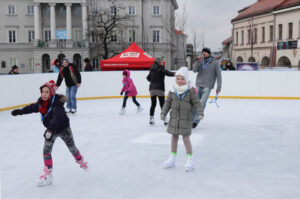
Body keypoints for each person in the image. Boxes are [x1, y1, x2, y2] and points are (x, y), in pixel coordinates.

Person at [11, 80, 88, 187]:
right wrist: (20, 111)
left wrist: (50, 129)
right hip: (50, 130)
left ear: (51, 92)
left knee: (72, 148)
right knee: (46, 151)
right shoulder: (41, 104)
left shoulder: (57, 104)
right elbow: (31, 108)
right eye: (42, 92)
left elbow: (58, 117)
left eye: (47, 92)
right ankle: (48, 175)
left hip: (63, 129)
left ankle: (81, 162)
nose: (44, 94)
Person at [160, 67, 204, 172]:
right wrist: (163, 112)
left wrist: (200, 113)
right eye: (178, 79)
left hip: (186, 118)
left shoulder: (190, 90)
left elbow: (196, 103)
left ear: (186, 79)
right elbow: (167, 103)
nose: (180, 81)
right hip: (174, 118)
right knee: (174, 137)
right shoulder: (172, 90)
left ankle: (190, 160)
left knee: (186, 138)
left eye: (182, 79)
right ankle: (172, 158)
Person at [192, 47, 222, 128]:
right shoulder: (200, 61)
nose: (204, 53)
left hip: (208, 85)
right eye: (203, 52)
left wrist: (218, 88)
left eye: (206, 52)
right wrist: (197, 62)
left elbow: (219, 75)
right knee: (196, 103)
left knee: (202, 103)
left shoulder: (215, 62)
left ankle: (196, 120)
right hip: (198, 84)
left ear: (209, 53)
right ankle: (191, 119)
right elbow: (194, 70)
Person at [146, 58, 175, 125]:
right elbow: (167, 73)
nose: (162, 63)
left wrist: (153, 81)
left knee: (153, 104)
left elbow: (148, 78)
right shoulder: (161, 68)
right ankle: (164, 119)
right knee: (162, 104)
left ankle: (151, 119)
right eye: (162, 62)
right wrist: (174, 74)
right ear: (159, 63)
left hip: (152, 89)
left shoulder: (152, 69)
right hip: (160, 89)